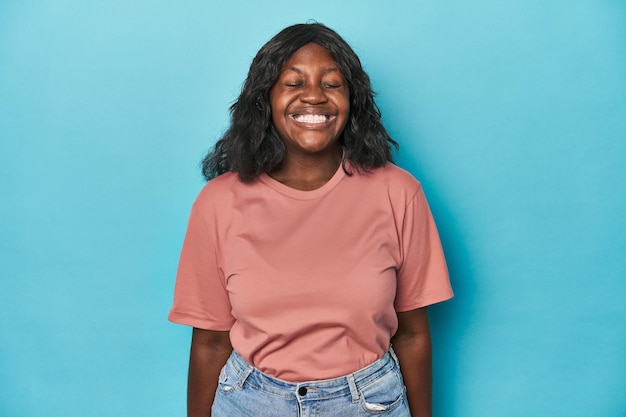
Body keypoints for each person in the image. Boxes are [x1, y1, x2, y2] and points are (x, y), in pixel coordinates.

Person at [169, 22, 453, 417]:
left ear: (353, 100)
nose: (314, 97)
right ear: (265, 98)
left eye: (332, 84)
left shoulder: (398, 193)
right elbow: (210, 343)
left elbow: (414, 335)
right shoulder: (218, 203)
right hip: (249, 402)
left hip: (369, 403)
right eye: (293, 83)